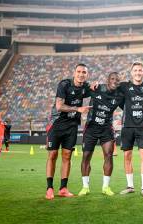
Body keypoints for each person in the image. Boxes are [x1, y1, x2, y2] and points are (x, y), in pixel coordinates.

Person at [45, 63, 92, 200]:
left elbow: (97, 91)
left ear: (86, 74)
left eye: (84, 72)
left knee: (67, 156)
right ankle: (49, 188)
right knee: (53, 155)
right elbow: (59, 106)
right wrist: (78, 109)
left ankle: (63, 188)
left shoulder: (85, 87)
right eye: (79, 71)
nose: (81, 74)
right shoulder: (64, 84)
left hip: (72, 126)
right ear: (74, 72)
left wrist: (95, 87)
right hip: (57, 124)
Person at [78, 72, 124, 197]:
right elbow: (80, 89)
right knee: (86, 156)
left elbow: (128, 106)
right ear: (107, 80)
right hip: (91, 127)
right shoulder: (97, 88)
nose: (115, 81)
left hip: (106, 128)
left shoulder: (120, 95)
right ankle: (85, 187)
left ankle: (106, 187)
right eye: (112, 79)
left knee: (108, 155)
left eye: (117, 80)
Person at [118, 62, 143, 197]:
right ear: (131, 72)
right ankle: (130, 186)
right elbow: (110, 87)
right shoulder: (124, 86)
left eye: (140, 70)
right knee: (127, 156)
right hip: (127, 127)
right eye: (135, 70)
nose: (138, 72)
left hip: (142, 127)